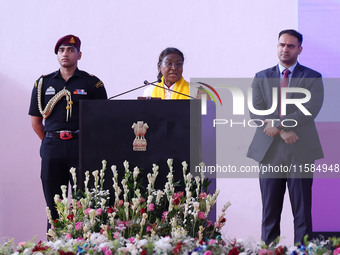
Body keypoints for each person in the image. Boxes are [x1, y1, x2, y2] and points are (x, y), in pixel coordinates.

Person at [247, 29, 324, 244]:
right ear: (277, 46)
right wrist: (282, 130)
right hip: (269, 151)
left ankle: (303, 250)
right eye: (282, 44)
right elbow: (256, 110)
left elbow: (310, 109)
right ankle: (269, 250)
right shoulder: (261, 76)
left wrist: (280, 124)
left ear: (299, 49)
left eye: (290, 46)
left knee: (302, 212)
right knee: (270, 211)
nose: (285, 49)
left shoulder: (312, 76)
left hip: (300, 149)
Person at [28, 35, 107, 228]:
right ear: (57, 55)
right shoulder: (43, 84)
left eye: (71, 50)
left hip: (81, 147)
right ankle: (54, 244)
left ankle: (84, 242)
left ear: (79, 55)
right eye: (62, 50)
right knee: (54, 203)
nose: (66, 54)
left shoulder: (92, 83)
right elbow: (36, 122)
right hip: (52, 147)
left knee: (84, 201)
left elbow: (103, 119)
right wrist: (50, 140)